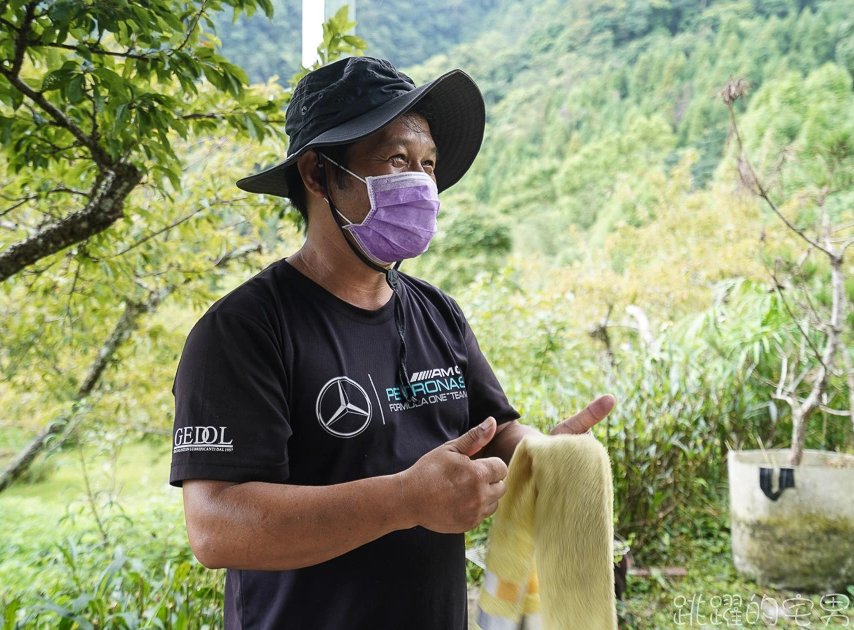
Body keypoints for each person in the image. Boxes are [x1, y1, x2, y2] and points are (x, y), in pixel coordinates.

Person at [169, 56, 615, 630]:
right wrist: (404, 499)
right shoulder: (244, 329)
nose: (423, 183)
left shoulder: (437, 313)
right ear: (317, 173)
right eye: (398, 160)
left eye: (428, 165)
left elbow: (494, 432)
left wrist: (542, 457)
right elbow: (215, 528)